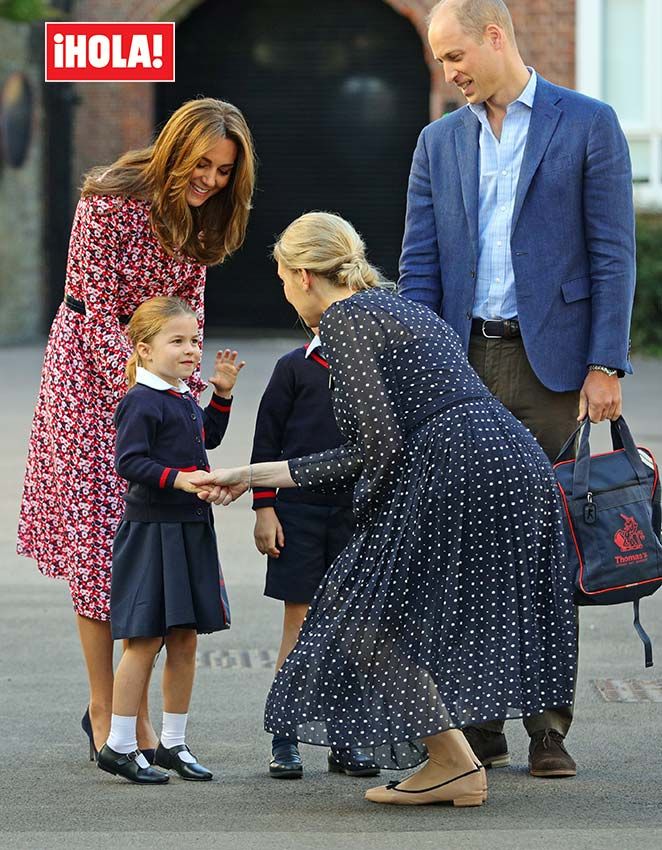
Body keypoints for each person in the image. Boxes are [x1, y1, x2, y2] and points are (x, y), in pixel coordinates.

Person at [191, 211, 576, 807]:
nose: (286, 294)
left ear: (301, 276)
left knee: (361, 617)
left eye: (282, 280)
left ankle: (453, 763)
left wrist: (258, 477)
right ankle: (456, 760)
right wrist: (251, 475)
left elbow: (376, 449)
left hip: (455, 470)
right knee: (417, 616)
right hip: (511, 462)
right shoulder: (399, 306)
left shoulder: (344, 322)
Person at [398, 0, 636, 776]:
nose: (449, 72)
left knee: (544, 545)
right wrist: (415, 370)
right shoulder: (438, 141)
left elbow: (612, 253)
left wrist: (605, 364)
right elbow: (419, 268)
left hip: (553, 371)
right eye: (440, 61)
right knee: (462, 545)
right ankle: (478, 723)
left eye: (455, 55)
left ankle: (549, 728)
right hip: (461, 364)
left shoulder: (586, 122)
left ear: (495, 36)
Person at [17, 97, 256, 760]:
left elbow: (192, 313)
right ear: (176, 148)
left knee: (148, 544)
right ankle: (107, 714)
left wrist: (185, 394)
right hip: (89, 377)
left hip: (156, 377)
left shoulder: (206, 215)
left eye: (224, 171)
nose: (210, 179)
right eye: (202, 164)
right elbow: (94, 310)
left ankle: (134, 713)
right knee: (100, 546)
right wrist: (141, 397)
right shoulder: (109, 197)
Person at [96, 296, 243, 784]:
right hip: (153, 532)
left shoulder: (180, 396)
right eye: (177, 341)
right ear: (143, 348)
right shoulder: (140, 400)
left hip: (190, 530)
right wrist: (179, 480)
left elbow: (206, 438)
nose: (190, 349)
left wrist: (220, 395)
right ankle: (118, 745)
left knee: (184, 639)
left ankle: (172, 745)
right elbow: (129, 462)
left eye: (194, 340)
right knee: (145, 639)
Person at [250, 331, 378, 779]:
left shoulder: (373, 369)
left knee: (351, 629)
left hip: (356, 514)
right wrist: (264, 508)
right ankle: (285, 738)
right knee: (299, 625)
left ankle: (347, 740)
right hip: (297, 511)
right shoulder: (293, 367)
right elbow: (266, 440)